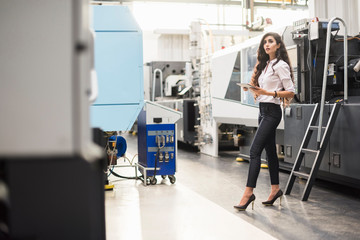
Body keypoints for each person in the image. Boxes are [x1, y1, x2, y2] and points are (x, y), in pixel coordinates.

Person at [234, 32, 295, 211]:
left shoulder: (281, 65)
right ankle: (275, 189)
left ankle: (248, 193)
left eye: (270, 42)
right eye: (265, 42)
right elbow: (265, 88)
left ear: (278, 45)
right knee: (270, 153)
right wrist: (255, 91)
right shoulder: (266, 64)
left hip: (272, 113)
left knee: (254, 152)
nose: (267, 44)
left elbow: (290, 91)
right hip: (262, 111)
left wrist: (269, 94)